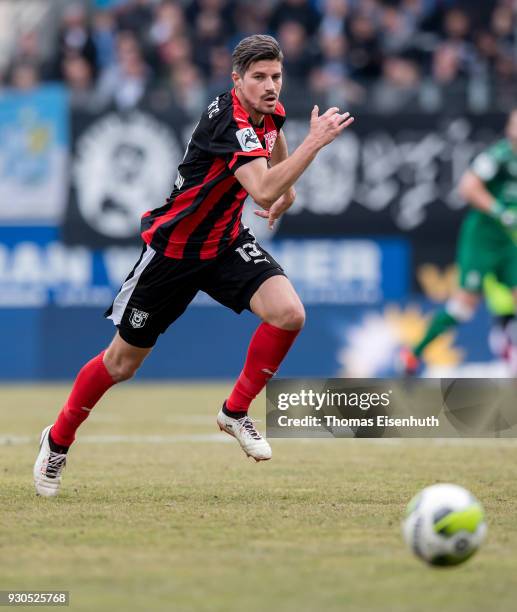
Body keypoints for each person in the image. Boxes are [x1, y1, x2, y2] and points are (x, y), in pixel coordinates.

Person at [33, 34, 354, 497]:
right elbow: (262, 189)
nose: (270, 86)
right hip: (174, 253)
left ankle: (235, 411)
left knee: (289, 313)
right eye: (259, 77)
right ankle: (58, 439)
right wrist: (314, 146)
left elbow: (276, 141)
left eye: (276, 76)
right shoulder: (228, 119)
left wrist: (289, 190)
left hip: (223, 244)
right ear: (236, 79)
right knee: (120, 364)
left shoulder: (270, 111)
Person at [401, 108, 517, 375]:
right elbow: (467, 187)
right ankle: (414, 353)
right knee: (464, 308)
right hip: (482, 239)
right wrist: (500, 211)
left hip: (507, 242)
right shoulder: (498, 157)